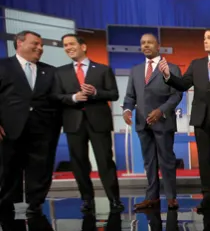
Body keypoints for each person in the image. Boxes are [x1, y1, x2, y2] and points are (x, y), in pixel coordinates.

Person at [160, 29, 210, 212]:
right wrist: (168, 76)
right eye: (204, 38)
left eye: (209, 38)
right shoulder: (196, 64)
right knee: (204, 160)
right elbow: (183, 84)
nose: (205, 41)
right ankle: (207, 198)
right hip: (201, 118)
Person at [54, 34, 123, 213]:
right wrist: (73, 97)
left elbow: (113, 94)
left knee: (105, 161)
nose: (68, 47)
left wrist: (95, 92)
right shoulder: (60, 72)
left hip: (98, 122)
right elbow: (56, 97)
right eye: (65, 45)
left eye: (71, 44)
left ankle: (114, 199)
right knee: (79, 163)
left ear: (83, 47)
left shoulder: (102, 70)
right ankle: (87, 200)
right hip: (73, 123)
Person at [0, 30, 60, 216]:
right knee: (7, 168)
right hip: (9, 130)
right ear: (19, 43)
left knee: (40, 169)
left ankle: (35, 205)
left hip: (42, 130)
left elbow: (56, 99)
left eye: (41, 45)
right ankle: (5, 205)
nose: (40, 48)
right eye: (35, 44)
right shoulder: (3, 66)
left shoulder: (50, 71)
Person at [123, 33, 183, 211]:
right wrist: (127, 109)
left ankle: (171, 197)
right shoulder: (135, 70)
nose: (146, 45)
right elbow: (130, 96)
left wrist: (161, 111)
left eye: (150, 42)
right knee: (149, 161)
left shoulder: (171, 68)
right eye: (143, 43)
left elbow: (177, 95)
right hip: (142, 123)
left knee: (166, 160)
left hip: (163, 122)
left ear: (158, 46)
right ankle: (152, 197)